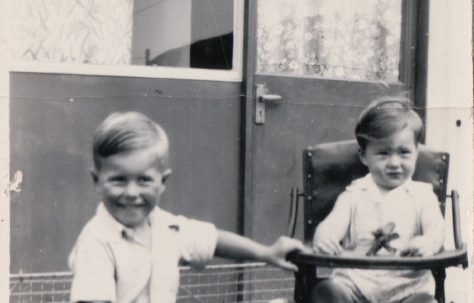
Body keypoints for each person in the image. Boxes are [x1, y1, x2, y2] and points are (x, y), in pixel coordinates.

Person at [68, 111, 306, 303]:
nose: (132, 193)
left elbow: (212, 240)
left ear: (163, 182)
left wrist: (266, 252)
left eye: (144, 180)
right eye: (118, 180)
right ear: (96, 182)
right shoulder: (96, 241)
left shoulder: (166, 227)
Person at [312, 97, 445, 303]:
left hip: (407, 286)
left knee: (426, 302)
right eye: (383, 153)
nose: (394, 162)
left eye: (404, 153)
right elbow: (331, 225)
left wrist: (428, 242)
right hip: (356, 283)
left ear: (416, 153)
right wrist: (325, 238)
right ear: (364, 156)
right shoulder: (355, 193)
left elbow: (436, 229)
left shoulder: (422, 195)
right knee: (328, 290)